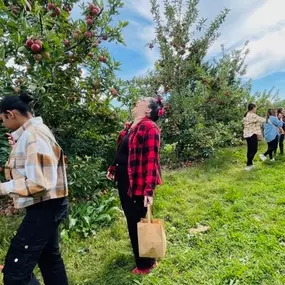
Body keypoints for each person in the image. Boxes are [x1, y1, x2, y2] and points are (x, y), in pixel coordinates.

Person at [0, 93, 69, 285]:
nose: (3, 123)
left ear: (10, 114)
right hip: (49, 205)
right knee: (49, 259)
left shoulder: (33, 135)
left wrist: (3, 188)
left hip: (44, 208)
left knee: (16, 273)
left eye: (2, 119)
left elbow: (40, 183)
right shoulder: (33, 133)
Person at [107, 97, 163, 275]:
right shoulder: (132, 127)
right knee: (134, 221)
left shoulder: (150, 128)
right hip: (125, 180)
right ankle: (148, 259)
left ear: (148, 110)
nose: (137, 102)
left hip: (137, 183)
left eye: (142, 101)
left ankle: (145, 265)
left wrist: (149, 189)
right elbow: (124, 152)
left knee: (137, 223)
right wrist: (114, 168)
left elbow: (151, 160)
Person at [243, 103, 265, 171]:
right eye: (256, 108)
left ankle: (250, 163)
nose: (256, 109)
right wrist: (269, 118)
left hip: (247, 135)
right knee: (254, 150)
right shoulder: (252, 115)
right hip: (252, 134)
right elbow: (262, 120)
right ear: (253, 108)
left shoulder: (246, 114)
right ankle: (248, 165)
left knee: (250, 149)